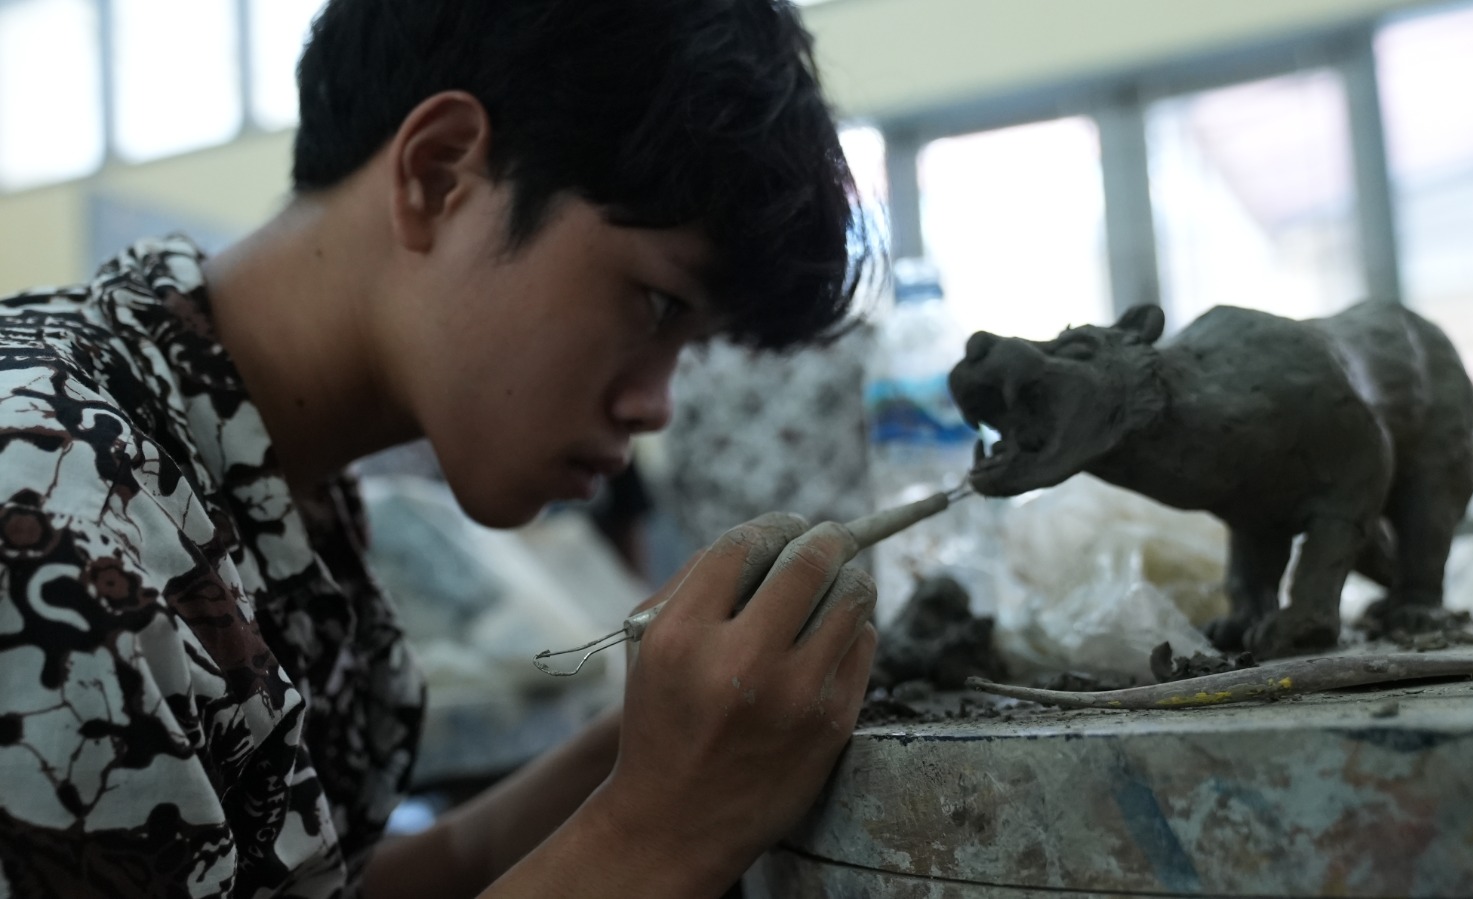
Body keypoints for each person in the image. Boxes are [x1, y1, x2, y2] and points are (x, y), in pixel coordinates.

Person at [0, 0, 877, 896]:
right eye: (656, 306)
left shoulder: (269, 485)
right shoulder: (49, 502)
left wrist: (646, 757)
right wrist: (665, 830)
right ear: (439, 173)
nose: (656, 405)